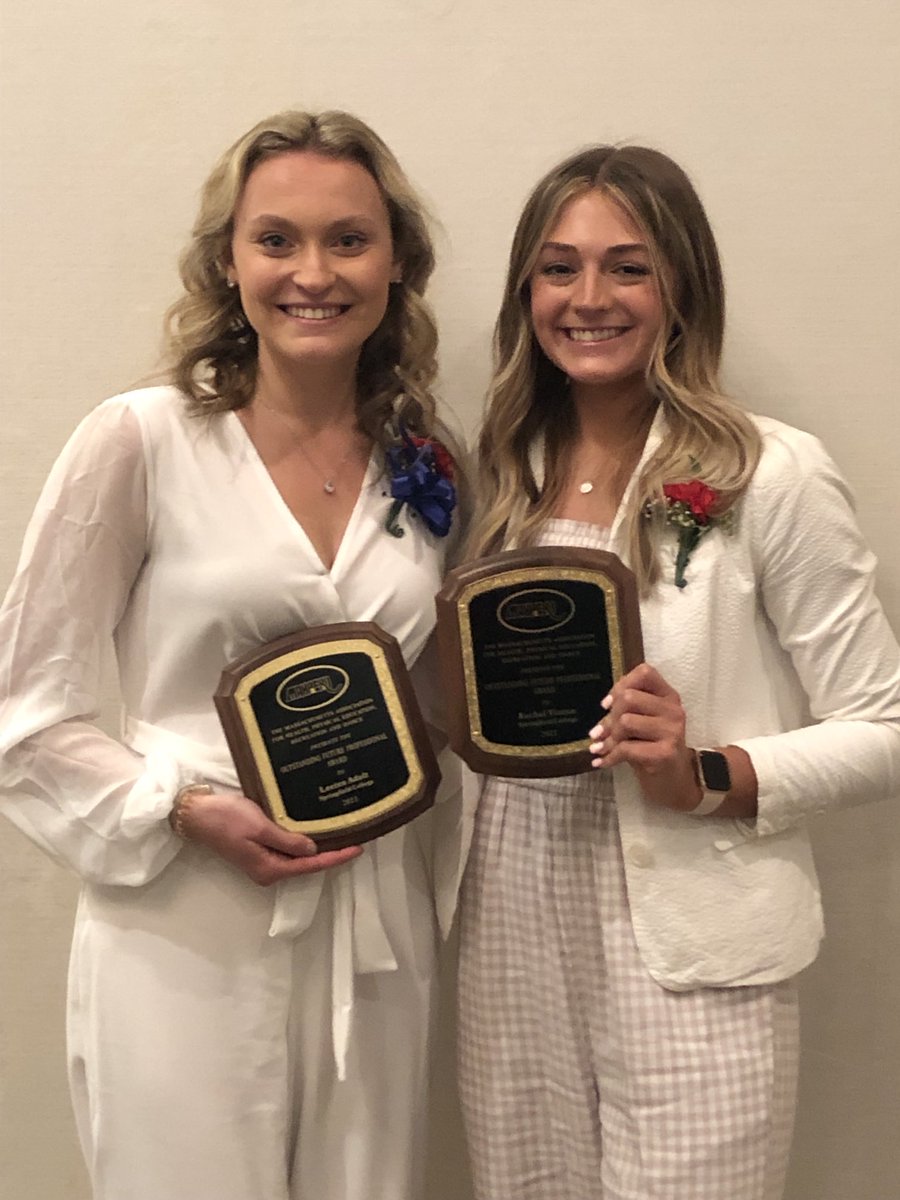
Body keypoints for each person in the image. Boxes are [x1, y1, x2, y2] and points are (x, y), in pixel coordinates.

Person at [0, 110, 466, 1200]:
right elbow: (25, 712)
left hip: (374, 915)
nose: (313, 272)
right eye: (277, 240)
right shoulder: (140, 440)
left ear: (397, 262)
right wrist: (180, 810)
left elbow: (441, 701)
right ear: (229, 261)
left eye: (348, 239)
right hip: (183, 919)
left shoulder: (431, 467)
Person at [456, 144, 900, 1200]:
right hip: (508, 936)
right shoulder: (497, 472)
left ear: (683, 289)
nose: (590, 298)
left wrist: (703, 771)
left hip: (692, 942)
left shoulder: (769, 473)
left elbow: (884, 726)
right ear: (528, 292)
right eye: (559, 267)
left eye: (630, 266)